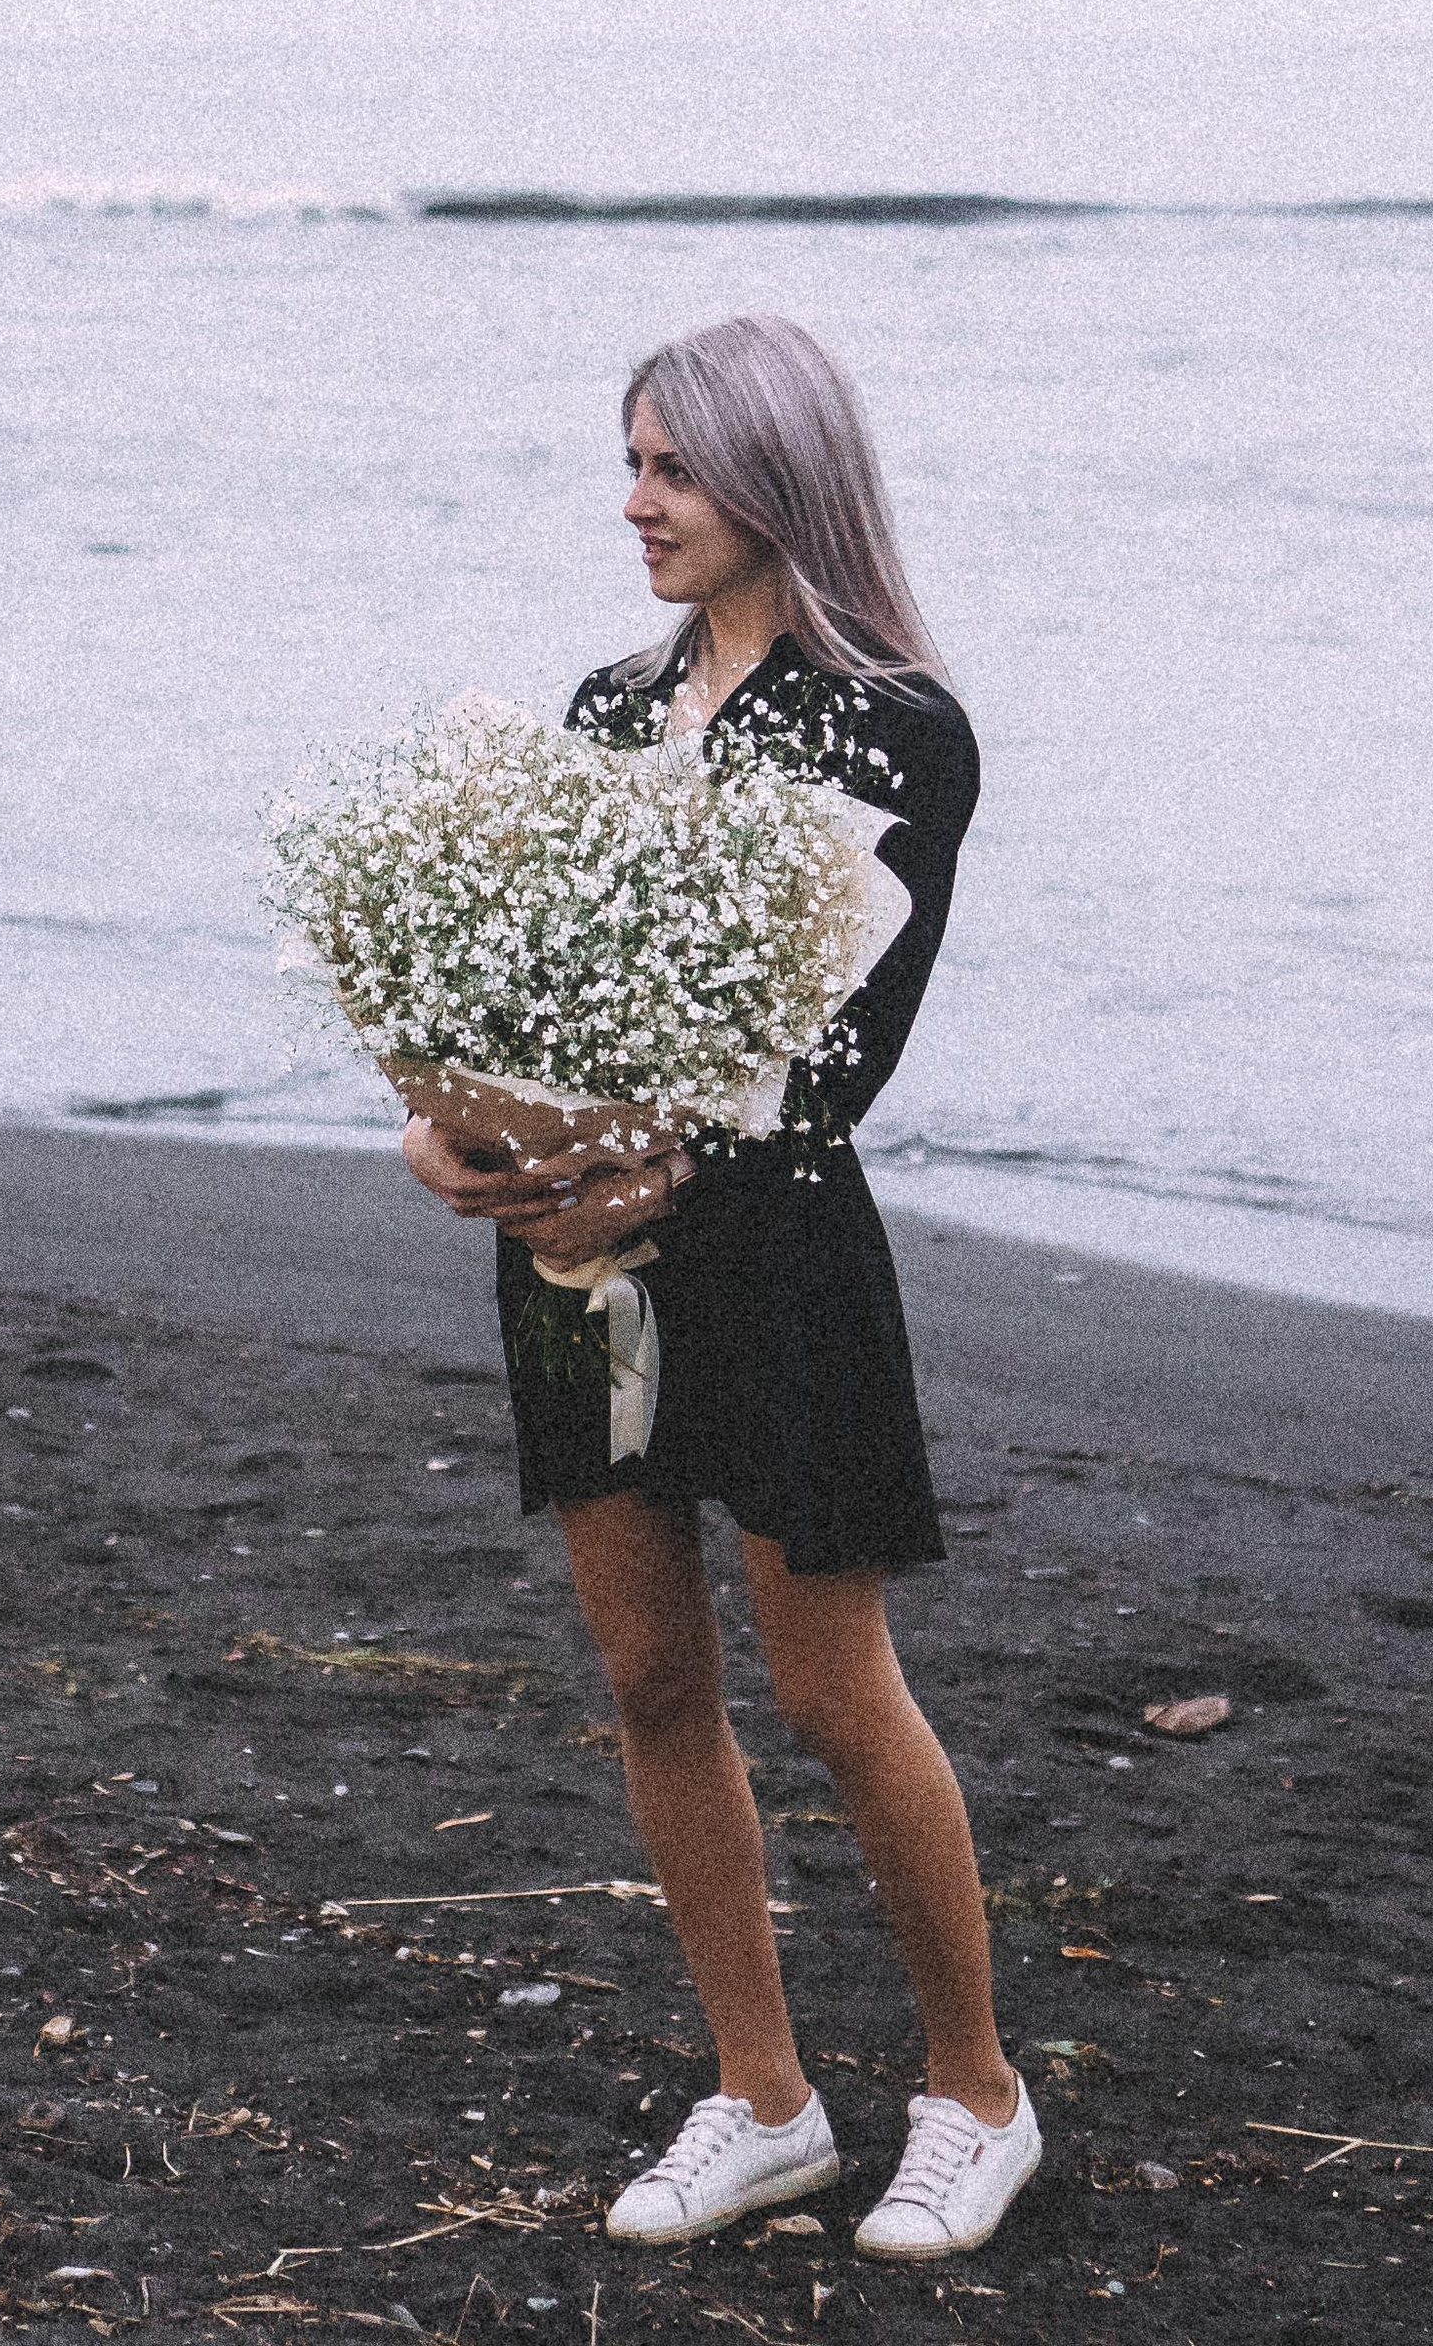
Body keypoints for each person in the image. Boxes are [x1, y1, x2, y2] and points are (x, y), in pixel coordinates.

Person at [402, 313, 1038, 2260]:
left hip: (774, 1267)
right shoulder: (602, 712)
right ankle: (763, 2101)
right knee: (649, 1677)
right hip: (573, 1257)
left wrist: (644, 1143)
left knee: (834, 1691)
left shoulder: (898, 726)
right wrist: (446, 1135)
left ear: (774, 478)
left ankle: (972, 2097)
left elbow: (840, 1062)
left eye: (670, 466)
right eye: (630, 461)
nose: (635, 502)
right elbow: (506, 1003)